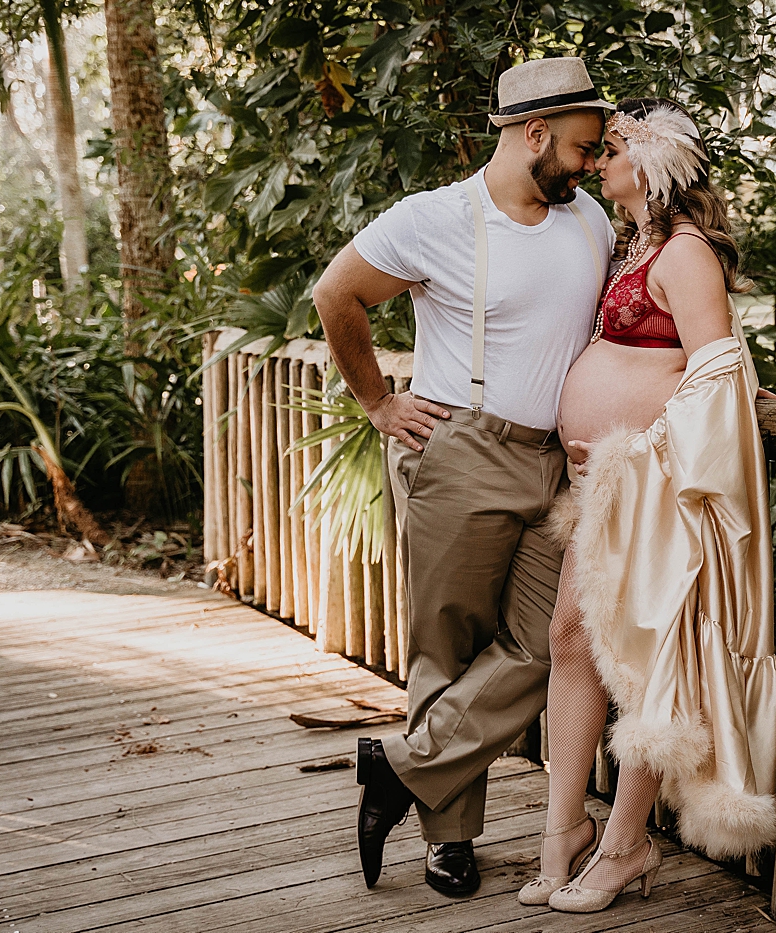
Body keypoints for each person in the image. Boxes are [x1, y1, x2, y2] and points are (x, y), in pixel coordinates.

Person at [312, 57, 616, 897]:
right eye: (583, 148)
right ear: (533, 134)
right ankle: (450, 841)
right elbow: (336, 293)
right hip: (462, 448)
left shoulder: (587, 218)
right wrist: (376, 401)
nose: (590, 165)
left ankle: (400, 766)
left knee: (545, 644)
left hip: (557, 461)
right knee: (445, 647)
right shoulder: (432, 219)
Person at [517, 98, 776, 913]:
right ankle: (561, 829)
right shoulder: (644, 244)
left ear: (656, 164)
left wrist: (644, 453)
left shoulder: (689, 255)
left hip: (653, 488)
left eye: (615, 151)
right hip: (607, 493)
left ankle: (625, 845)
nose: (600, 162)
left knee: (645, 659)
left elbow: (715, 373)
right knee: (572, 637)